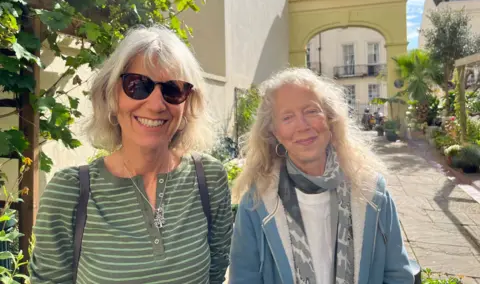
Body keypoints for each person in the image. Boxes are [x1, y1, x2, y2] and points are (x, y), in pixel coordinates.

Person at [30, 26, 232, 284]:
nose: (157, 104)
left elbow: (214, 276)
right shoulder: (70, 193)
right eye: (137, 86)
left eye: (173, 90)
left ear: (187, 103)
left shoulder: (209, 180)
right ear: (112, 94)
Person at [229, 68, 413, 284]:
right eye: (287, 117)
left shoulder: (372, 191)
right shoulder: (256, 203)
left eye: (311, 111)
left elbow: (398, 274)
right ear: (275, 133)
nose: (302, 126)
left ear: (330, 119)